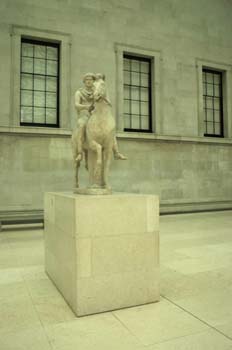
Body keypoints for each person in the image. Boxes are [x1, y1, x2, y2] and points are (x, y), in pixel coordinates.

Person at [74, 72, 127, 161]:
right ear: (84, 81)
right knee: (81, 125)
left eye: (90, 79)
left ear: (93, 81)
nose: (88, 81)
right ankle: (79, 153)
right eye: (86, 79)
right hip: (85, 114)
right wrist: (86, 107)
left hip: (96, 114)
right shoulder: (79, 92)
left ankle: (116, 152)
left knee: (109, 129)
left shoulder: (96, 91)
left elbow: (102, 98)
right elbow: (76, 105)